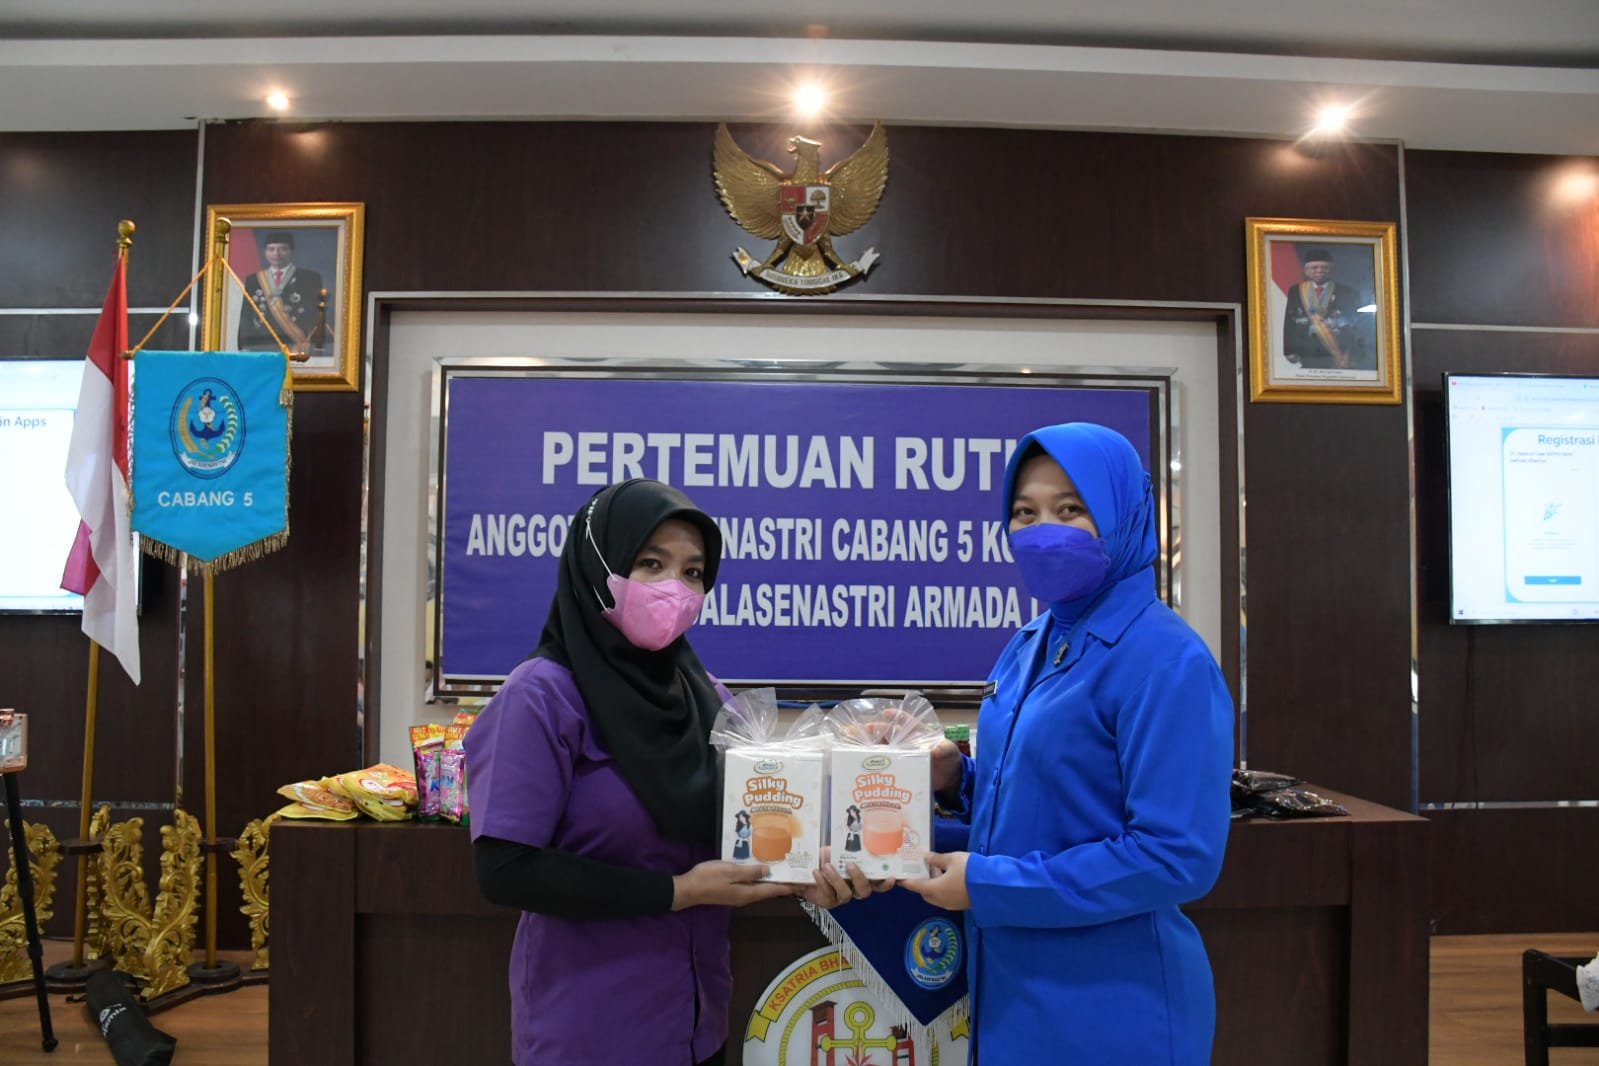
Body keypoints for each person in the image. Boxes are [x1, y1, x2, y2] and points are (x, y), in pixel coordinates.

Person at [463, 478, 868, 1066]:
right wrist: (678, 892)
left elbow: (750, 827)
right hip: (589, 1029)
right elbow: (504, 870)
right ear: (598, 563)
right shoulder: (542, 696)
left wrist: (806, 867)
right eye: (651, 563)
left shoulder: (708, 698)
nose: (674, 587)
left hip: (697, 1020)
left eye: (693, 572)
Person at [902, 422, 1234, 1064]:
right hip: (1012, 996)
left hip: (1113, 1008)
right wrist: (959, 779)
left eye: (1070, 509)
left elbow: (1176, 856)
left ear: (1122, 516)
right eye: (1024, 513)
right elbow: (1055, 794)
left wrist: (991, 886)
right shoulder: (1029, 644)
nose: (1042, 531)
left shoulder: (1169, 662)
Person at [1281, 245, 1371, 369]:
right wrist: (1289, 350)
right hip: (1307, 352)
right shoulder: (1296, 291)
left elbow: (1359, 326)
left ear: (1332, 270)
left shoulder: (1349, 293)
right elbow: (1289, 321)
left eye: (1325, 267)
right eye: (1314, 267)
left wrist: (1356, 354)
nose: (1319, 270)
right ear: (1306, 270)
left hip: (1340, 353)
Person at [238, 230, 328, 352]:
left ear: (292, 251)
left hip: (296, 344)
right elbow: (246, 315)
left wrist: (313, 341)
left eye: (282, 249)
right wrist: (244, 345)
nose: (276, 254)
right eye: (271, 249)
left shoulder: (309, 278)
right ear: (265, 252)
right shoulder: (254, 280)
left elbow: (315, 315)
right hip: (261, 344)